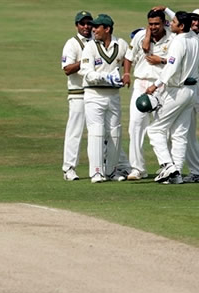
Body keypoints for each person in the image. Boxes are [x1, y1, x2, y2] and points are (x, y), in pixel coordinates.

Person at [153, 6, 199, 184]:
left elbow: (188, 52)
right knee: (185, 131)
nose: (196, 23)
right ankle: (195, 171)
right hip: (188, 86)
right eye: (194, 19)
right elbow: (180, 23)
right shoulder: (187, 34)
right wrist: (167, 10)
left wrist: (161, 61)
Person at [145, 11, 199, 184]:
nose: (171, 23)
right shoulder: (194, 38)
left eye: (174, 22)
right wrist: (168, 8)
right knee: (179, 133)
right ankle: (176, 175)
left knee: (155, 130)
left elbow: (171, 68)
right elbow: (185, 19)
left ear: (181, 26)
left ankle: (167, 165)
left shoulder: (178, 41)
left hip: (177, 90)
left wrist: (156, 84)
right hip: (192, 91)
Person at [122, 9, 174, 180]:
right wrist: (127, 74)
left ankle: (166, 166)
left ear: (164, 23)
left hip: (161, 86)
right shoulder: (139, 37)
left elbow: (177, 62)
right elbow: (129, 57)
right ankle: (138, 168)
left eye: (156, 24)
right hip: (141, 84)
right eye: (150, 24)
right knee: (135, 125)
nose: (153, 27)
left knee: (163, 129)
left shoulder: (172, 38)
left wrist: (162, 60)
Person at [79, 14, 129, 183]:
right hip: (94, 95)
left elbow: (130, 57)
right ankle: (96, 172)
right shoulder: (90, 47)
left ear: (107, 29)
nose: (93, 30)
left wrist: (127, 73)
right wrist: (106, 77)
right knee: (97, 132)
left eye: (97, 27)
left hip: (113, 95)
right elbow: (86, 72)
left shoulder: (120, 44)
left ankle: (112, 171)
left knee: (115, 133)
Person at [61, 10, 93, 181]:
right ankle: (69, 168)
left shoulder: (97, 42)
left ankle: (106, 168)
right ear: (77, 25)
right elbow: (67, 69)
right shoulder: (72, 44)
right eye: (83, 23)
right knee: (75, 131)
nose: (86, 26)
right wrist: (86, 61)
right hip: (78, 93)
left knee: (102, 132)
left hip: (97, 93)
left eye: (89, 23)